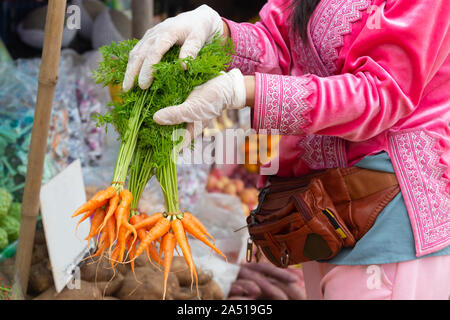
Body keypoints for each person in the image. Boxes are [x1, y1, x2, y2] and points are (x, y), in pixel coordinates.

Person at [123, 0, 450, 300]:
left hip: (388, 210)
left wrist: (241, 90)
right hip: (318, 209)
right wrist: (217, 33)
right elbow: (278, 45)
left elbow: (380, 93)